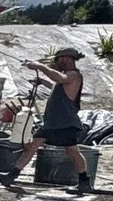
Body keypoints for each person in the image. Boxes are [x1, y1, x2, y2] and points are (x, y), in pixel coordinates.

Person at [16, 46, 91, 189]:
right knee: (32, 146)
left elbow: (61, 79)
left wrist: (40, 66)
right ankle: (11, 175)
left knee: (73, 152)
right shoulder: (65, 77)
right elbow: (57, 86)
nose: (57, 62)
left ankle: (84, 182)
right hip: (52, 122)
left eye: (59, 59)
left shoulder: (73, 75)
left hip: (65, 122)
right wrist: (42, 82)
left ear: (67, 58)